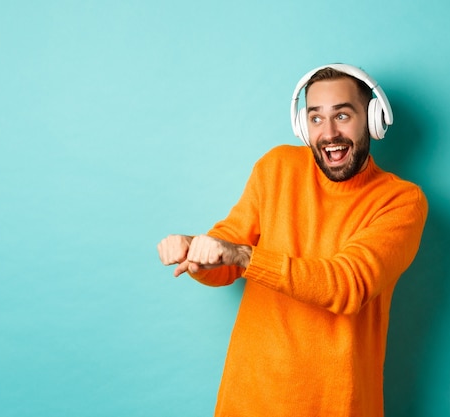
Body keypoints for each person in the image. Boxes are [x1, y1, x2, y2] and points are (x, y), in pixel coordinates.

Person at [157, 63, 428, 417]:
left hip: (336, 405)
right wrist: (197, 252)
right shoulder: (276, 168)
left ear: (373, 119)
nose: (329, 133)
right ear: (303, 125)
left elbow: (348, 285)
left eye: (343, 116)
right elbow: (227, 251)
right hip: (248, 398)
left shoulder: (401, 201)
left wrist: (242, 256)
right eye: (316, 118)